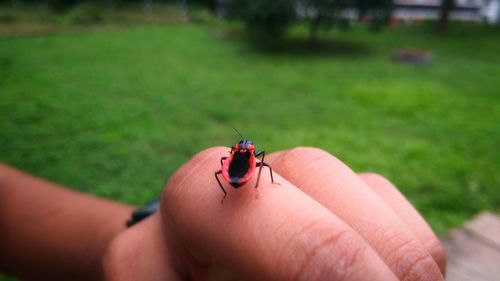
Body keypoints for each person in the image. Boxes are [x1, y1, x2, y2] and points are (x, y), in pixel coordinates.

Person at [0, 147, 446, 281]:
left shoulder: (240, 160)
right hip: (240, 184)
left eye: (245, 153)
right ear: (245, 154)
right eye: (245, 152)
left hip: (236, 184)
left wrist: (150, 236)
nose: (245, 153)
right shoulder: (250, 161)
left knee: (245, 176)